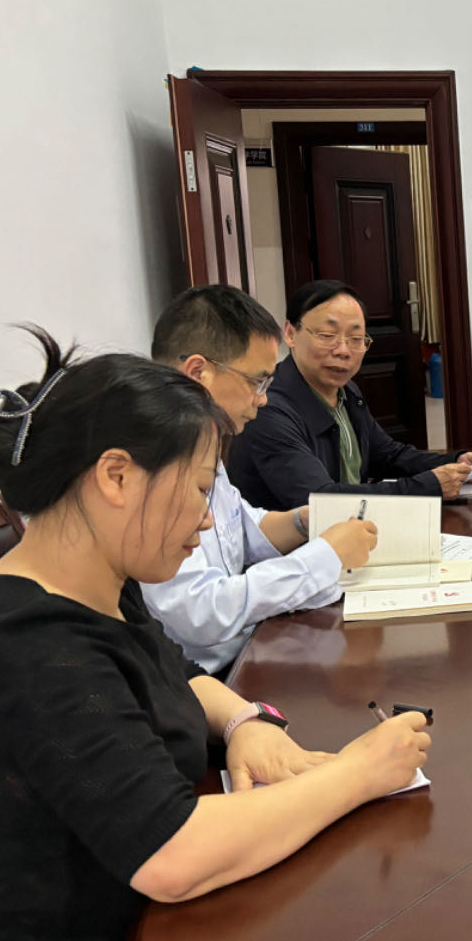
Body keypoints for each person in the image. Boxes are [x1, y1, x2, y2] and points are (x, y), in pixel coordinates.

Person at [0, 329, 431, 941]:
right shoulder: (30, 647)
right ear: (116, 476)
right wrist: (359, 772)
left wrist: (245, 721)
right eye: (197, 488)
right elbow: (173, 856)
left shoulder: (96, 583)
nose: (208, 518)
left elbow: (174, 671)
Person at [139, 285, 379, 675]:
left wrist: (304, 521)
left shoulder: (203, 442)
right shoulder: (151, 468)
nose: (263, 398)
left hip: (250, 651)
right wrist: (325, 556)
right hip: (207, 678)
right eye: (257, 382)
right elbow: (201, 611)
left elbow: (241, 526)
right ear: (198, 373)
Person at [228, 279, 472, 510]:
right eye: (327, 335)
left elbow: (386, 455)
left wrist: (454, 462)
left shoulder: (347, 392)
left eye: (356, 339)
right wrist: (428, 487)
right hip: (292, 547)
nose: (343, 350)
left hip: (349, 534)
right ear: (290, 334)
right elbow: (319, 500)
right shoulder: (268, 408)